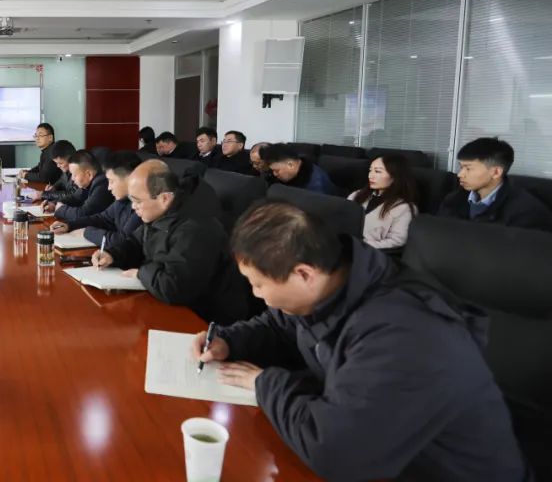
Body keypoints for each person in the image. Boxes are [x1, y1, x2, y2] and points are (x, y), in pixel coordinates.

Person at [196, 201, 527, 480]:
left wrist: (264, 383)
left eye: (257, 284)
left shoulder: (403, 333)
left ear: (304, 274)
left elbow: (335, 452)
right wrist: (228, 341)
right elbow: (280, 324)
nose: (257, 295)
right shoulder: (337, 282)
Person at [91, 160, 253, 323]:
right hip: (167, 302)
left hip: (205, 319)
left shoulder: (196, 228)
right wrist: (112, 254)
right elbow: (135, 242)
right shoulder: (159, 213)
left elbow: (174, 288)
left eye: (137, 201)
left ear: (165, 198)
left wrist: (141, 273)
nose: (133, 207)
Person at [438, 137, 552, 231]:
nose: (460, 174)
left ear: (496, 172)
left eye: (468, 168)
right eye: (461, 167)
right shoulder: (454, 199)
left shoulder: (526, 213)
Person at [51, 151, 142, 251]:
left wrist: (87, 232)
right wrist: (69, 225)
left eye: (112, 181)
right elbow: (102, 218)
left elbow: (121, 241)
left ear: (131, 179)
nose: (109, 187)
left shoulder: (142, 205)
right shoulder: (122, 200)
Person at [348, 155, 418, 249]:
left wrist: (359, 246)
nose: (370, 176)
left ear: (394, 176)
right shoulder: (357, 195)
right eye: (370, 170)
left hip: (368, 252)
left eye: (377, 171)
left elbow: (397, 241)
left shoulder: (404, 208)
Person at [53, 150, 114, 222]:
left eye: (75, 175)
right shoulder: (87, 183)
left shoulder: (102, 184)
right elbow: (75, 198)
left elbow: (83, 214)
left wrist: (61, 209)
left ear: (89, 174)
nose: (72, 179)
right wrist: (54, 204)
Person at [262, 143, 336, 195]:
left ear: (290, 165)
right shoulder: (297, 164)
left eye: (276, 171)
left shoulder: (314, 184)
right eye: (272, 171)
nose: (274, 174)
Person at [37, 140, 82, 206]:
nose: (58, 166)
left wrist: (44, 194)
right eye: (56, 163)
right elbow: (61, 181)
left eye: (60, 163)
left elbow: (72, 194)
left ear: (71, 159)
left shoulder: (79, 172)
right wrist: (54, 187)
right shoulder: (66, 170)